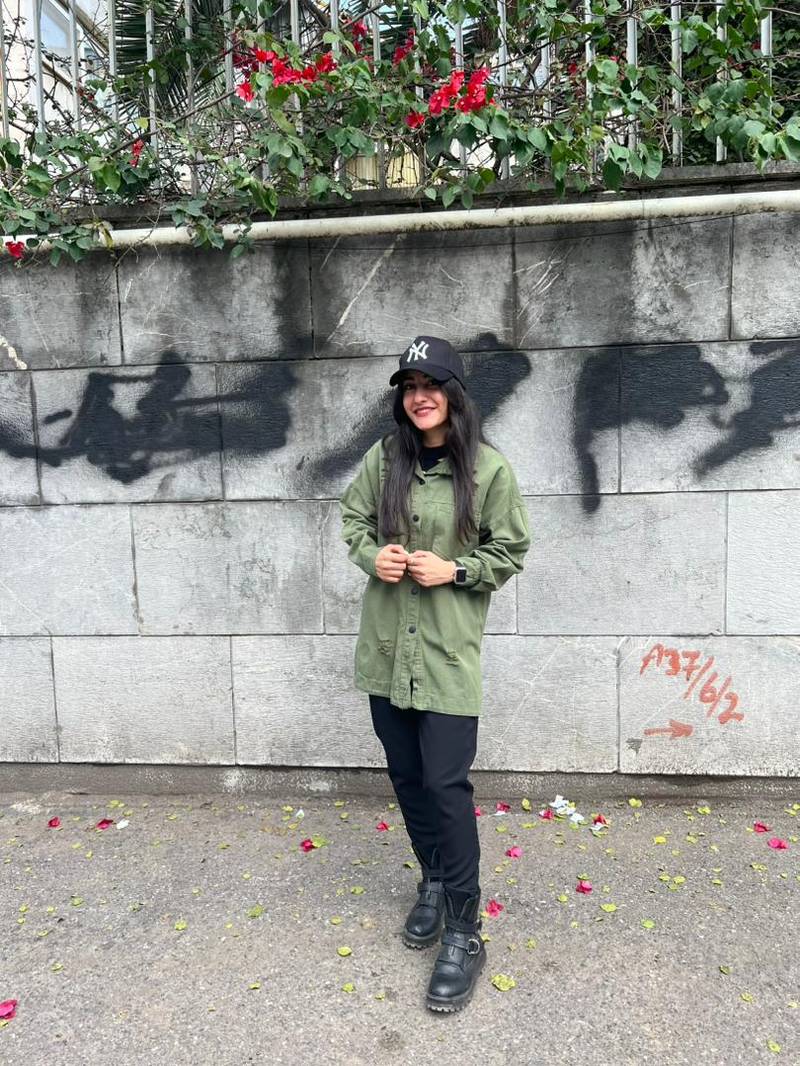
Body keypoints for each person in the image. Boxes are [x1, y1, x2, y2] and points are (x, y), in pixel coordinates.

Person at [339, 335, 531, 1012]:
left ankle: (464, 931)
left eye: (431, 385)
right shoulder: (383, 458)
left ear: (454, 394)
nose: (420, 397)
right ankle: (433, 879)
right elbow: (354, 520)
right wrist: (372, 556)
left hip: (446, 655)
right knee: (407, 777)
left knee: (446, 787)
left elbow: (510, 550)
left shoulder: (488, 470)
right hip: (388, 650)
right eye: (410, 387)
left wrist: (456, 570)